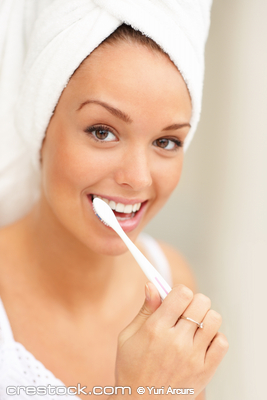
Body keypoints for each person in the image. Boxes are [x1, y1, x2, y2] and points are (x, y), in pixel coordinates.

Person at [0, 1, 228, 399]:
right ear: (43, 126)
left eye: (166, 141)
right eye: (103, 131)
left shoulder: (173, 280)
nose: (138, 178)